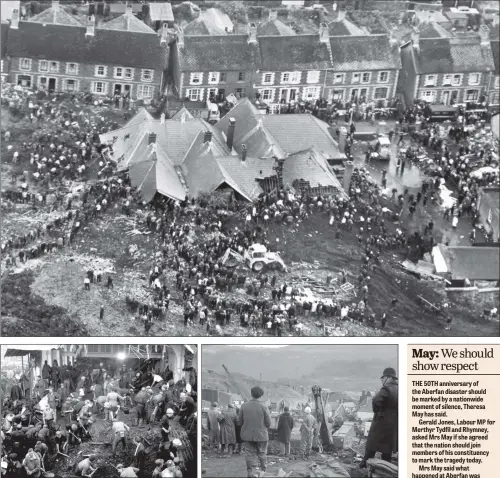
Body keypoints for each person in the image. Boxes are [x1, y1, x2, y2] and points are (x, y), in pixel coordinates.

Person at [360, 367, 398, 469]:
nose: (381, 379)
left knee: (371, 446)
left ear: (389, 378)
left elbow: (376, 400)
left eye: (383, 377)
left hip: (381, 423)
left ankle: (364, 466)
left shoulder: (386, 388)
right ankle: (386, 471)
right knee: (387, 451)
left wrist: (378, 411)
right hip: (393, 426)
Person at [237, 386, 271, 478]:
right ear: (261, 395)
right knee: (262, 453)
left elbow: (239, 421)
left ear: (251, 394)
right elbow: (268, 424)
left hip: (247, 435)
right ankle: (263, 472)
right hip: (261, 435)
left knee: (249, 454)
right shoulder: (264, 406)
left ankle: (250, 473)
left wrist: (247, 426)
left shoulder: (244, 406)